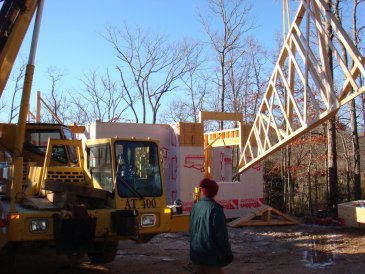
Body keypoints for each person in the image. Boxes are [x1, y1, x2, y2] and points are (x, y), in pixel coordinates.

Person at [189, 177, 233, 274]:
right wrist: (228, 253)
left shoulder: (195, 207)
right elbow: (221, 236)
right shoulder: (215, 209)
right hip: (211, 257)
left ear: (203, 191)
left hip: (197, 254)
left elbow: (191, 231)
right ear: (215, 192)